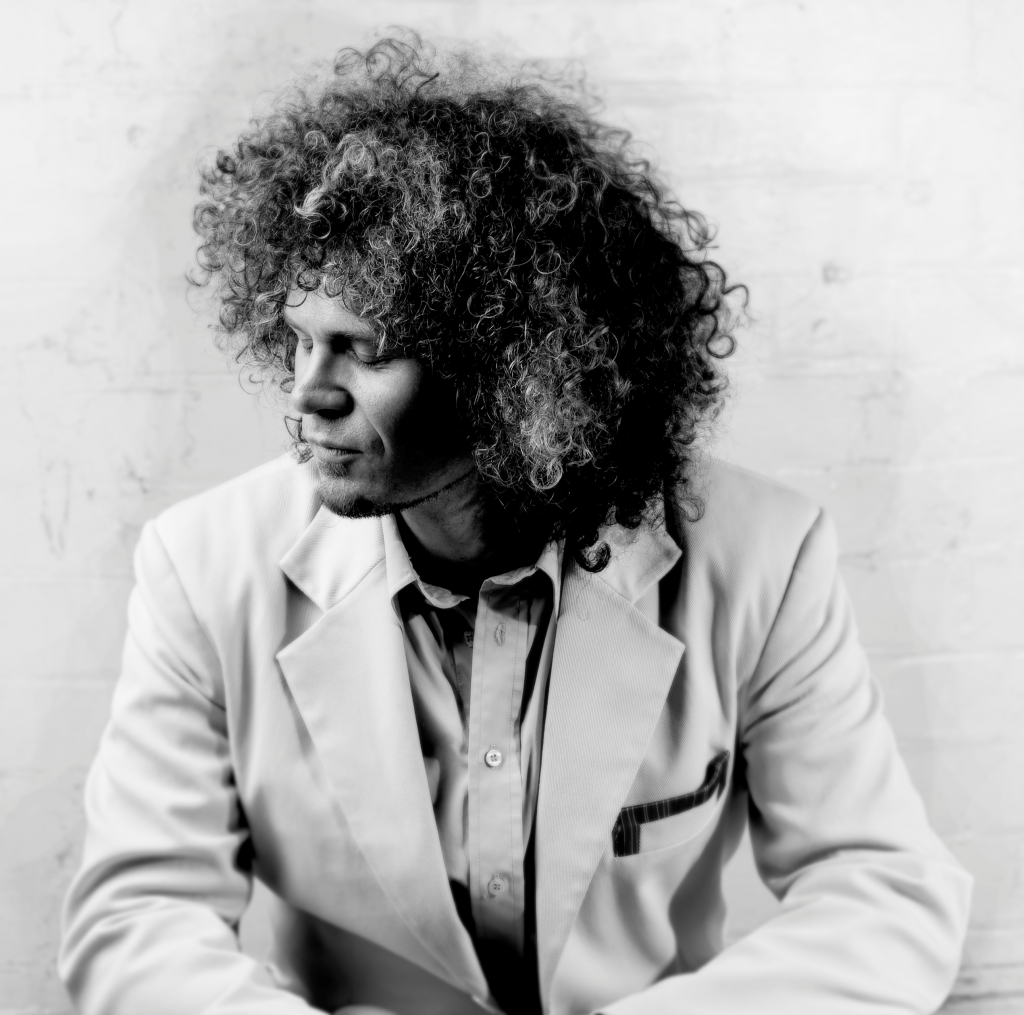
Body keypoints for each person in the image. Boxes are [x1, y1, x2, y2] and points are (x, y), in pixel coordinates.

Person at [59, 34, 971, 1015]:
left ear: (511, 367)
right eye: (299, 340)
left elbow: (884, 895)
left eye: (364, 349)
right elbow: (136, 920)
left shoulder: (764, 556)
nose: (306, 393)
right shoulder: (202, 566)